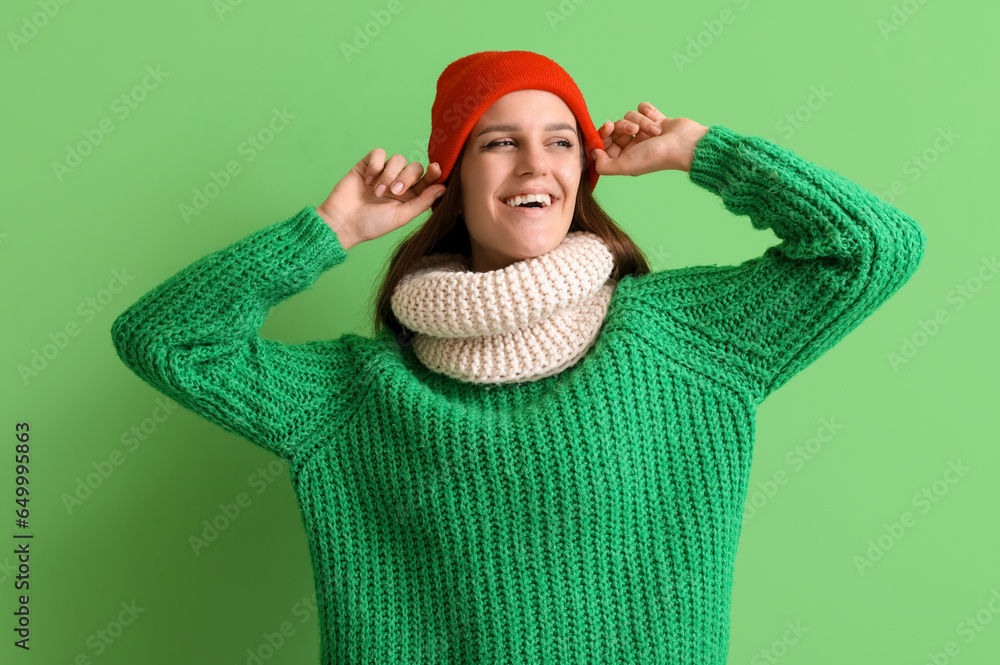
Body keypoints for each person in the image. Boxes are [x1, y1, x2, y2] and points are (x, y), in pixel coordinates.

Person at [111, 50, 926, 664]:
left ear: (585, 168)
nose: (537, 165)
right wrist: (328, 232)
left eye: (561, 142)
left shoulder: (685, 341)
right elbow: (165, 339)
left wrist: (703, 151)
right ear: (455, 178)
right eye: (500, 142)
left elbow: (872, 247)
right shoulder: (358, 395)